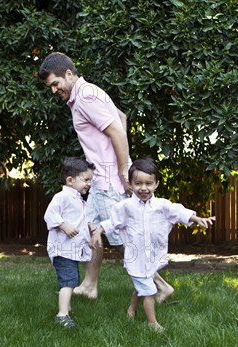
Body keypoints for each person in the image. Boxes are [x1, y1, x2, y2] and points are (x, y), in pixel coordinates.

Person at [38, 52, 174, 301]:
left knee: (124, 238)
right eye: (51, 87)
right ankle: (90, 285)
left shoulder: (86, 98)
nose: (54, 90)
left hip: (109, 183)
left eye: (56, 84)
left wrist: (124, 173)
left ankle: (160, 285)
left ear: (69, 74)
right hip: (102, 181)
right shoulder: (87, 94)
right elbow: (121, 118)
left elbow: (118, 133)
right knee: (91, 230)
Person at [90, 158, 216, 332]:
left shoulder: (161, 205)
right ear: (131, 184)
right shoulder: (126, 207)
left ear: (156, 184)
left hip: (152, 257)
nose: (144, 188)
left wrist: (196, 218)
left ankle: (131, 311)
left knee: (142, 285)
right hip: (136, 258)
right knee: (149, 291)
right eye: (138, 183)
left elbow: (178, 212)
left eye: (149, 183)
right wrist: (98, 231)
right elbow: (113, 222)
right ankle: (152, 323)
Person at [43, 157, 95, 329]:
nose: (89, 183)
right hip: (62, 248)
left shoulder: (78, 199)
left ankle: (66, 306)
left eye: (90, 180)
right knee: (69, 280)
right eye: (86, 179)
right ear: (70, 180)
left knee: (71, 278)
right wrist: (63, 225)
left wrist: (90, 228)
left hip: (71, 249)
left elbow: (80, 219)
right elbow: (49, 215)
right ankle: (62, 315)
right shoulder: (62, 197)